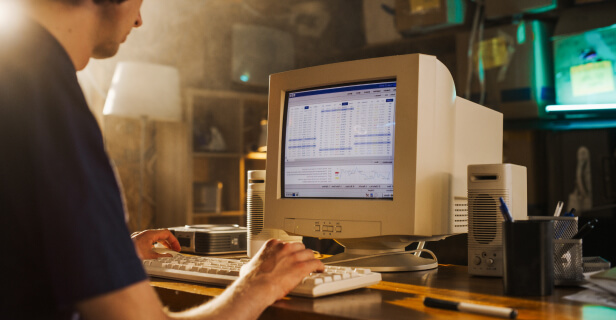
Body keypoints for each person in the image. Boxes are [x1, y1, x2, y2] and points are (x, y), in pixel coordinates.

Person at [0, 0, 324, 319]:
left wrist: (114, 255)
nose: (139, 20)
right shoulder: (48, 103)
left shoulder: (16, 70)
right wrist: (258, 283)